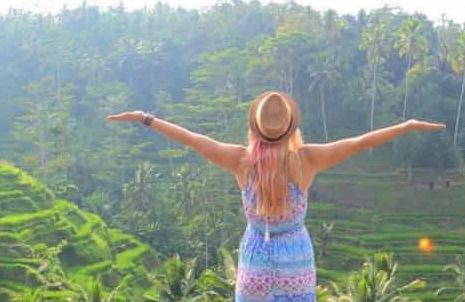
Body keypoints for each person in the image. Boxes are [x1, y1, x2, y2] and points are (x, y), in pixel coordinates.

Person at [107, 90, 446, 301]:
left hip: (256, 254)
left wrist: (145, 119)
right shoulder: (307, 160)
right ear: (291, 127)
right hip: (295, 254)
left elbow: (191, 139)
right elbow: (360, 142)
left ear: (254, 127)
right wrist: (405, 126)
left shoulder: (241, 160)